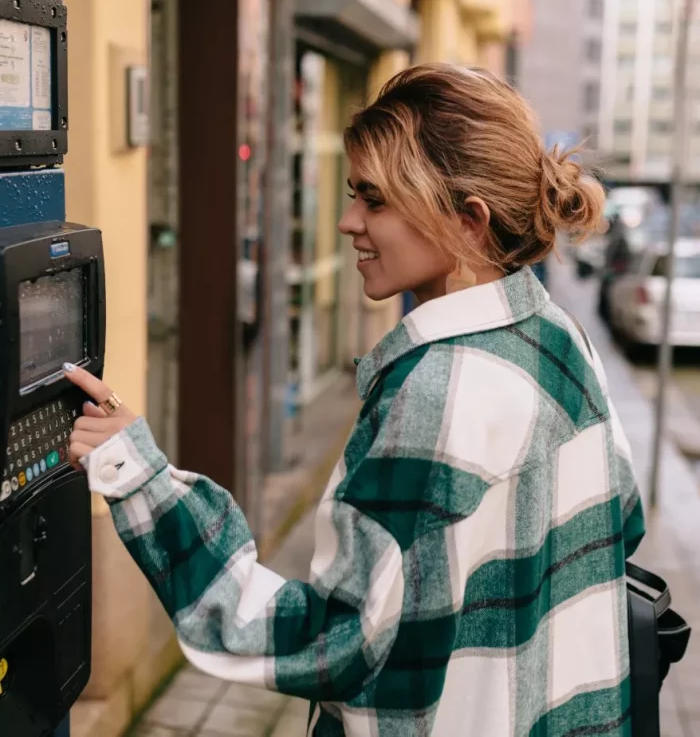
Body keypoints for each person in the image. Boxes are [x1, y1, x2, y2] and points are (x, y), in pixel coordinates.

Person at [65, 64, 645, 737]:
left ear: (468, 222)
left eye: (374, 200)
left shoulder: (441, 390)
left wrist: (136, 476)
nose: (347, 223)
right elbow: (620, 521)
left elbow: (335, 641)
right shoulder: (556, 338)